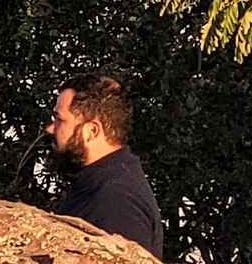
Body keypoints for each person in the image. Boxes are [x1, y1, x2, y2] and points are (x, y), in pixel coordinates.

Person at [45, 72, 164, 259]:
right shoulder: (97, 186)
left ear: (92, 131)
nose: (50, 129)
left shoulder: (116, 200)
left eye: (59, 119)